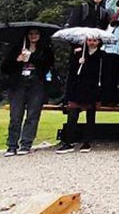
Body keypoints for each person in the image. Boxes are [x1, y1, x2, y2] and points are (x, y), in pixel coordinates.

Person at [2, 27, 55, 156]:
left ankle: (26, 143)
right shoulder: (16, 49)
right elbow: (5, 67)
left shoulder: (45, 49)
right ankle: (12, 145)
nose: (33, 36)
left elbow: (48, 65)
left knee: (32, 115)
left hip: (37, 84)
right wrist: (18, 60)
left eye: (36, 33)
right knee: (15, 116)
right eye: (30, 34)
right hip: (18, 84)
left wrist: (31, 57)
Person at [57, 37, 104, 154]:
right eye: (89, 40)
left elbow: (103, 74)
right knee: (72, 116)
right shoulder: (78, 53)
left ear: (99, 42)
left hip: (92, 89)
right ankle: (69, 142)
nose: (92, 43)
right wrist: (79, 61)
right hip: (77, 89)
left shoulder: (102, 56)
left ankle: (87, 142)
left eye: (94, 40)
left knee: (90, 117)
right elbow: (72, 73)